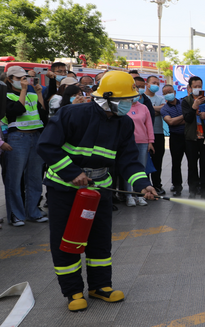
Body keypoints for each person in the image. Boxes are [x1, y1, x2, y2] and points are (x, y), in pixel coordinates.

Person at [37, 71, 157, 312]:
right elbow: (46, 146)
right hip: (64, 188)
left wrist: (142, 184)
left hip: (100, 189)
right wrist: (72, 172)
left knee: (100, 240)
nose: (130, 104)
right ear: (109, 98)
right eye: (126, 100)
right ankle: (72, 291)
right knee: (66, 240)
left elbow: (128, 159)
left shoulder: (124, 123)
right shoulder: (72, 114)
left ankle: (100, 286)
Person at [3, 66, 48, 226]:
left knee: (35, 178)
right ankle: (16, 215)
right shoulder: (6, 94)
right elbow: (16, 111)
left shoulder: (31, 93)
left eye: (25, 78)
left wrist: (39, 93)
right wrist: (23, 91)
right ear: (10, 79)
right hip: (17, 137)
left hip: (36, 136)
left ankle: (33, 212)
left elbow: (43, 114)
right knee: (14, 179)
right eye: (19, 78)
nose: (23, 81)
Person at [182, 76, 205, 199]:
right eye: (195, 87)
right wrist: (194, 106)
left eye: (200, 86)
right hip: (191, 138)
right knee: (192, 165)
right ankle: (193, 190)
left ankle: (204, 190)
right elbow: (187, 118)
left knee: (204, 164)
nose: (198, 89)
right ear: (190, 88)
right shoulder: (185, 101)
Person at [124, 93, 154, 207]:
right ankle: (129, 196)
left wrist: (150, 141)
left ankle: (140, 195)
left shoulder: (144, 107)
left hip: (143, 142)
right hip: (128, 142)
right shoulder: (124, 107)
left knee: (141, 169)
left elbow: (149, 125)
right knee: (128, 169)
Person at [160, 85, 185, 197]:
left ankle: (195, 185)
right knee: (176, 163)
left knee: (192, 162)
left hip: (187, 136)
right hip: (175, 137)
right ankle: (177, 186)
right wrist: (184, 117)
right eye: (165, 93)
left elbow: (190, 119)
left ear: (174, 92)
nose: (168, 94)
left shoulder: (183, 103)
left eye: (169, 91)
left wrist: (177, 120)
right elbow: (170, 122)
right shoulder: (164, 109)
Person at [144, 75, 166, 195]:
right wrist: (154, 110)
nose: (156, 85)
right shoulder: (141, 98)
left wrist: (149, 110)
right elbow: (146, 111)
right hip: (144, 135)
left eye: (158, 83)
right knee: (145, 161)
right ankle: (146, 185)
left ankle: (157, 185)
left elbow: (163, 110)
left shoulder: (161, 98)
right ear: (147, 84)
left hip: (158, 133)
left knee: (158, 161)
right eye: (153, 83)